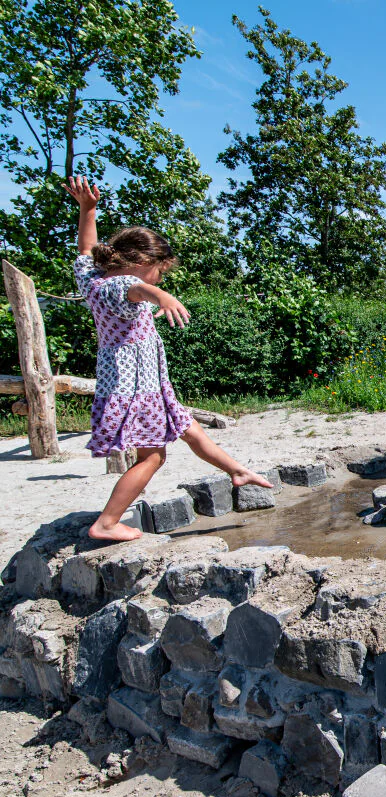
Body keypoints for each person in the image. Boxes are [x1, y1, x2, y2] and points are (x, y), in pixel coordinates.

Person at [64, 176, 272, 542]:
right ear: (141, 261)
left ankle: (237, 472)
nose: (161, 276)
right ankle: (107, 523)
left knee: (189, 429)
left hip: (144, 384)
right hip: (135, 387)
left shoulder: (92, 278)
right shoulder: (116, 287)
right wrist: (161, 295)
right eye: (160, 269)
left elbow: (85, 251)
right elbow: (133, 287)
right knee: (153, 457)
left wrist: (88, 210)